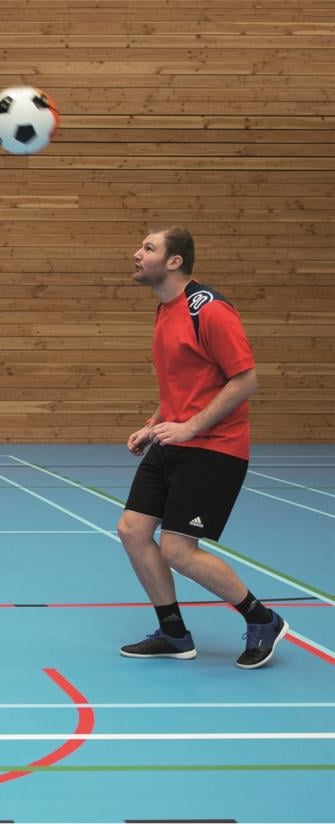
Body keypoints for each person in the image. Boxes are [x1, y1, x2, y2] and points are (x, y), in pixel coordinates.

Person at [117, 226, 288, 669]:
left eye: (148, 248)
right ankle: (173, 633)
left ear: (174, 261)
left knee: (178, 550)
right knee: (133, 530)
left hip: (214, 446)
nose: (137, 254)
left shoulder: (209, 310)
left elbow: (245, 380)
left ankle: (263, 619)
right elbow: (188, 381)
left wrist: (190, 426)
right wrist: (153, 423)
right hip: (174, 439)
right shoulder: (165, 309)